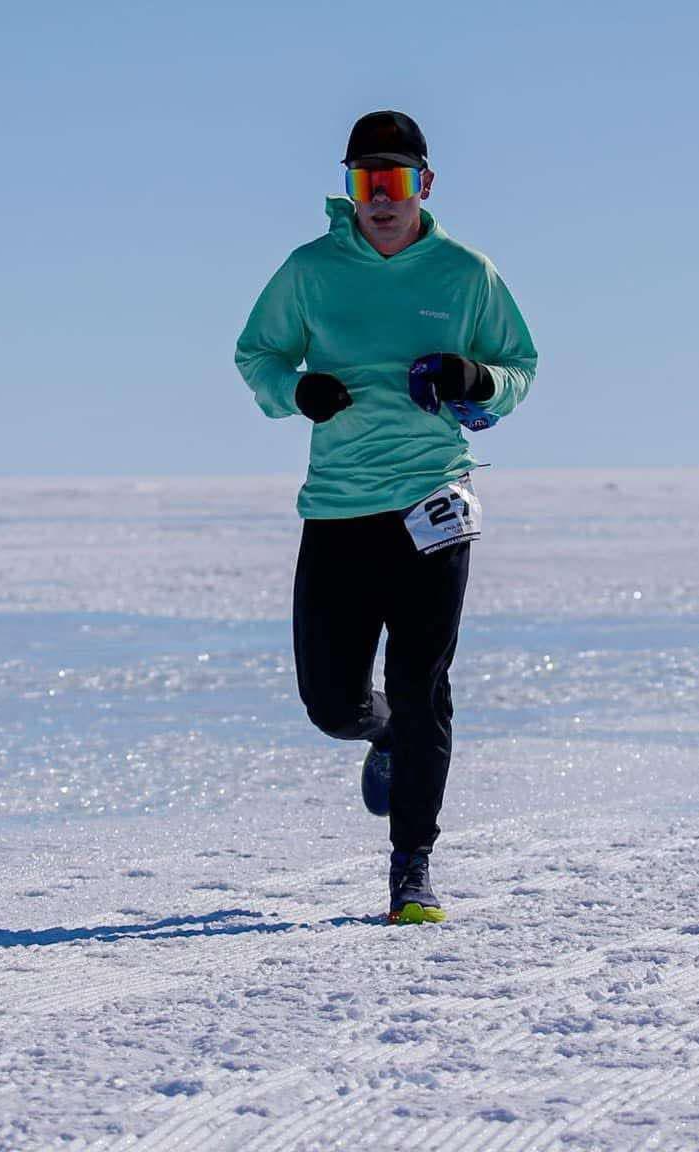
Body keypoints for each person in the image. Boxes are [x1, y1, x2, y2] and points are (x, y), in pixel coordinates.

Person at [233, 110, 537, 924]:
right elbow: (256, 354)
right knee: (330, 701)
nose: (380, 199)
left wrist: (476, 376)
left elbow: (520, 368)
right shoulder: (310, 271)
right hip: (338, 510)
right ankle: (383, 733)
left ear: (424, 187)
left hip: (432, 500)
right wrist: (295, 390)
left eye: (395, 181)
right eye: (365, 182)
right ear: (350, 190)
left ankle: (413, 866)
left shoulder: (466, 274)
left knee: (421, 681)